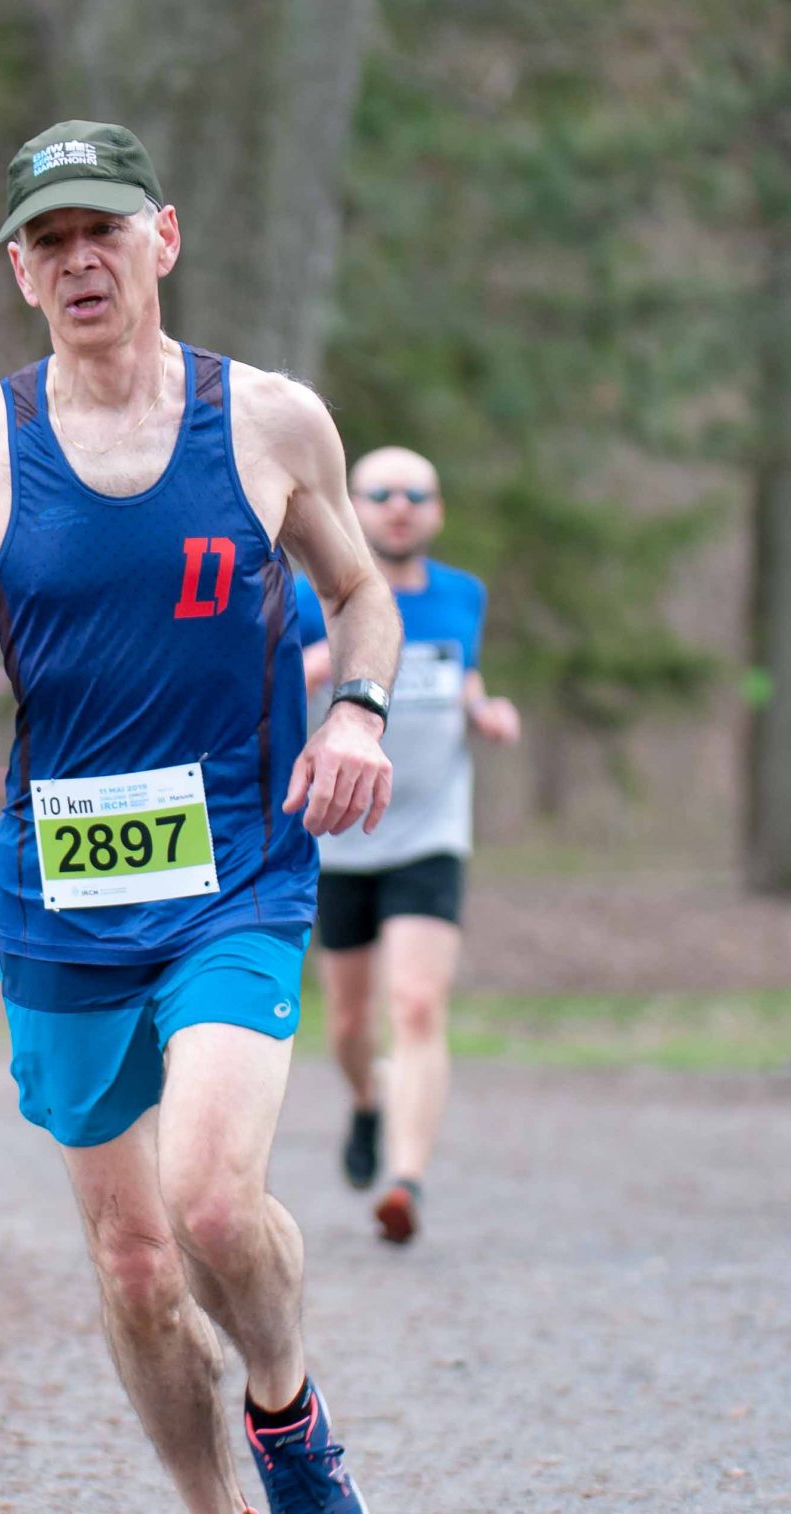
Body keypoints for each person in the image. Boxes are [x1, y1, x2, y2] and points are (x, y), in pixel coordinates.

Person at [0, 120, 404, 1514]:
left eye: (103, 232)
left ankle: (291, 1422)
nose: (78, 262)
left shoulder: (269, 420)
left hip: (238, 868)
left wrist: (358, 716)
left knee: (216, 1201)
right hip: (63, 892)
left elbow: (362, 594)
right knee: (137, 1266)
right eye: (45, 242)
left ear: (164, 238)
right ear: (19, 269)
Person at [289, 449, 519, 1247]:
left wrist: (485, 711)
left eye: (416, 494)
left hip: (429, 831)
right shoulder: (307, 593)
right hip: (338, 836)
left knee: (417, 1004)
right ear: (350, 507)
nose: (398, 506)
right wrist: (312, 665)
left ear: (437, 511)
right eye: (380, 493)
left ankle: (404, 1181)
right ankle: (365, 1100)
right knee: (350, 1023)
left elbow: (461, 675)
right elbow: (264, 693)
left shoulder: (463, 595)